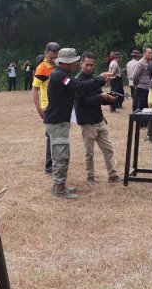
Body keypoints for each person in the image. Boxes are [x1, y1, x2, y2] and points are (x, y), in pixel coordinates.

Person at [44, 48, 112, 199]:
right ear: (66, 63)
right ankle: (58, 189)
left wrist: (99, 80)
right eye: (73, 62)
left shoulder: (63, 75)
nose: (75, 64)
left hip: (59, 121)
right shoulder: (59, 75)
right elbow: (79, 86)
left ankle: (60, 186)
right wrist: (100, 79)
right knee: (60, 156)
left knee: (62, 155)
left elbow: (79, 85)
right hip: (56, 122)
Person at [74, 52, 120, 188]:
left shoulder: (95, 79)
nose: (89, 67)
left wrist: (109, 99)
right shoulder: (77, 82)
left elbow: (99, 96)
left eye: (92, 65)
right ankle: (90, 178)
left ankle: (112, 175)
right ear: (80, 64)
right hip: (87, 122)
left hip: (99, 119)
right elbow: (82, 103)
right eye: (87, 64)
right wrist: (102, 97)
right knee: (89, 153)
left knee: (108, 149)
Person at [32, 42, 60, 175]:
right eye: (51, 58)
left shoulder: (58, 66)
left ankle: (57, 163)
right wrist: (39, 109)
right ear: (45, 53)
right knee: (51, 136)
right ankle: (49, 166)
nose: (53, 60)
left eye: (55, 57)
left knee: (58, 135)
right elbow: (35, 89)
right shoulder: (41, 68)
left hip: (59, 105)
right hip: (48, 107)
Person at [132, 47, 152, 121]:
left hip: (149, 88)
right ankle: (141, 124)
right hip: (142, 88)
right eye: (149, 53)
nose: (151, 54)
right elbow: (135, 76)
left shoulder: (151, 63)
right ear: (144, 53)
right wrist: (136, 85)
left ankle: (146, 123)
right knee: (141, 106)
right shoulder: (140, 63)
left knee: (148, 107)